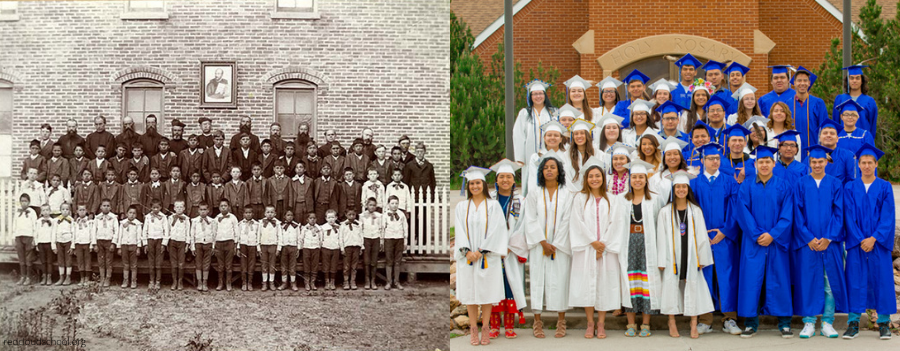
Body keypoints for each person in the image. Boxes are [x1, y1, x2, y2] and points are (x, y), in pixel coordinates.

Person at [735, 146, 794, 338]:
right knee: (752, 281)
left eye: (768, 161)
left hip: (776, 242)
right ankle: (751, 323)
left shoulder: (784, 185)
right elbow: (743, 213)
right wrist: (758, 234)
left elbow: (787, 215)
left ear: (774, 164)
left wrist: (773, 235)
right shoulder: (747, 186)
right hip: (754, 242)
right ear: (755, 164)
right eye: (761, 162)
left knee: (780, 280)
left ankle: (784, 323)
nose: (764, 165)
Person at [792, 145, 847, 339]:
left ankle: (827, 322)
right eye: (813, 162)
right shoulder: (800, 183)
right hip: (808, 243)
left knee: (828, 282)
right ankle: (808, 322)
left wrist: (828, 237)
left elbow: (839, 212)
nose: (817, 164)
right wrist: (808, 238)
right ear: (809, 162)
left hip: (830, 243)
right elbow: (797, 213)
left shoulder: (835, 183)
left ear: (826, 162)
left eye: (820, 161)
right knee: (808, 281)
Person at [842, 144, 895, 340]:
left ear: (875, 164)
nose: (866, 166)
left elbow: (888, 217)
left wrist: (873, 238)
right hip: (857, 244)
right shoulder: (849, 187)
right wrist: (860, 239)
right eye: (863, 162)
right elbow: (848, 215)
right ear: (858, 164)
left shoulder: (885, 186)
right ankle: (853, 322)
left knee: (882, 280)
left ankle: (883, 323)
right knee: (855, 281)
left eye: (869, 163)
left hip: (878, 243)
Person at [690, 144, 742, 335]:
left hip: (724, 239)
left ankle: (730, 318)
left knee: (727, 277)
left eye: (717, 159)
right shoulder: (694, 183)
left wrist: (725, 231)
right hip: (701, 238)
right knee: (704, 277)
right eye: (710, 158)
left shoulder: (730, 182)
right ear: (702, 160)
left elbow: (736, 210)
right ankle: (706, 319)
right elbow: (690, 211)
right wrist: (700, 233)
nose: (714, 161)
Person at [454, 166, 508, 346]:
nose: (474, 186)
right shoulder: (462, 206)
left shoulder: (493, 206)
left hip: (486, 256)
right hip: (468, 258)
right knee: (470, 294)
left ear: (483, 185)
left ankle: (485, 328)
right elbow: (460, 230)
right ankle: (473, 329)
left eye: (478, 183)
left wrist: (481, 250)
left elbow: (497, 230)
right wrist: (467, 251)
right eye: (471, 183)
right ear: (467, 186)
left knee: (486, 293)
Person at [657, 170, 714, 339]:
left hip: (691, 256)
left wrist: (702, 258)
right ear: (673, 190)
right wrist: (661, 260)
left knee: (693, 286)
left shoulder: (695, 211)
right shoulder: (665, 212)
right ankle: (671, 320)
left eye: (684, 187)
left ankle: (693, 323)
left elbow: (702, 236)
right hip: (672, 256)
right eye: (678, 187)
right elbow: (660, 237)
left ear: (688, 189)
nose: (681, 190)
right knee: (670, 286)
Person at [568, 157, 619, 339]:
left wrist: (602, 244)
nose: (594, 179)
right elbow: (577, 222)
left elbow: (615, 223)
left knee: (604, 286)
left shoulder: (612, 199)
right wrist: (593, 242)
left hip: (605, 250)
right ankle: (590, 323)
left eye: (598, 176)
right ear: (586, 179)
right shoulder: (580, 198)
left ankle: (601, 324)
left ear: (603, 178)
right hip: (586, 248)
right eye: (591, 176)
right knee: (587, 286)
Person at [523, 153, 573, 339]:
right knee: (537, 280)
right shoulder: (534, 192)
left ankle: (561, 321)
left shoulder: (567, 193)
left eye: (553, 167)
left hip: (560, 246)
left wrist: (556, 244)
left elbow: (567, 220)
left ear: (559, 171)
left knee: (560, 281)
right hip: (539, 245)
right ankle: (537, 321)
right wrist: (543, 242)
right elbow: (530, 219)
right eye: (546, 167)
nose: (549, 170)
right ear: (541, 171)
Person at [614, 159, 664, 337]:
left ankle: (645, 323)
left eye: (641, 177)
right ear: (630, 179)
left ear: (646, 179)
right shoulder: (621, 199)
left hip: (648, 244)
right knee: (630, 283)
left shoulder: (655, 199)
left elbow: (660, 224)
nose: (637, 180)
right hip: (628, 243)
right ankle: (630, 323)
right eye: (634, 177)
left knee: (646, 283)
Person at [487, 159, 528, 339]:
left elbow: (523, 226)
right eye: (501, 177)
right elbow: (485, 225)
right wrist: (495, 245)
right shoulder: (489, 199)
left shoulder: (521, 201)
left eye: (508, 177)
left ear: (514, 180)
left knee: (511, 286)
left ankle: (510, 326)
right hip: (494, 251)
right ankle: (494, 326)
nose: (505, 180)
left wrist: (511, 246)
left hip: (511, 250)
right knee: (494, 286)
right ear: (496, 180)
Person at [513, 80, 556, 165]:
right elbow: (519, 135)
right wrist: (520, 158)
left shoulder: (553, 112)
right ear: (530, 96)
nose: (538, 96)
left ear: (545, 95)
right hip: (529, 155)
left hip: (550, 153)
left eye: (540, 93)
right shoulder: (524, 113)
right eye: (535, 94)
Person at [790, 67, 827, 159]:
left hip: (813, 151)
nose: (802, 83)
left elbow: (824, 128)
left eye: (805, 80)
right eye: (799, 80)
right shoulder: (787, 104)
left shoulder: (818, 103)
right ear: (794, 83)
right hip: (792, 152)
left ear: (809, 83)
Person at [834, 65, 878, 139]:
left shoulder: (870, 102)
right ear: (848, 80)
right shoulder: (840, 99)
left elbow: (872, 126)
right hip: (843, 142)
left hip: (863, 142)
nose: (854, 81)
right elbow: (835, 123)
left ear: (862, 81)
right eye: (852, 78)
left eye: (857, 78)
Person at [815, 119, 857, 184]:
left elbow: (853, 183)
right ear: (820, 138)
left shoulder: (848, 156)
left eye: (832, 133)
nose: (828, 135)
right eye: (825, 133)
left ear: (837, 139)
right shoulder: (812, 157)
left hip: (840, 193)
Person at [648, 136, 688, 202]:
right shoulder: (656, 179)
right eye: (668, 154)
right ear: (664, 159)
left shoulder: (689, 175)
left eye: (675, 154)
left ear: (680, 157)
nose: (672, 157)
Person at [565, 118, 597, 193]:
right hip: (572, 195)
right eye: (576, 134)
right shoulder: (566, 155)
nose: (579, 136)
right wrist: (578, 195)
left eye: (582, 133)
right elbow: (567, 179)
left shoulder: (598, 153)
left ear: (587, 135)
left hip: (592, 194)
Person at [383, 195, 408, 290]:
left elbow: (405, 228)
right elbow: (383, 228)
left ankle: (396, 282)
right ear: (388, 204)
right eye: (392, 203)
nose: (394, 205)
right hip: (388, 239)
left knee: (397, 261)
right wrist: (382, 240)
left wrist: (405, 241)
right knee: (389, 261)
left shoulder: (401, 215)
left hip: (399, 239)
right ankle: (389, 282)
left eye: (396, 203)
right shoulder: (385, 215)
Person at [143, 199, 169, 290]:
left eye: (157, 207)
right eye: (153, 207)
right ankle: (151, 281)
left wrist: (164, 244)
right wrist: (145, 244)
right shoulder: (148, 217)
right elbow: (145, 230)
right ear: (151, 208)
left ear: (160, 207)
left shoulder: (163, 217)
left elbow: (166, 230)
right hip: (150, 240)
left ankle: (158, 281)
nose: (155, 209)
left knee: (159, 262)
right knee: (151, 261)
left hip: (160, 240)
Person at [213, 199, 239, 291]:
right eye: (221, 206)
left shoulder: (233, 218)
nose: (223, 207)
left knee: (228, 265)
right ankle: (220, 283)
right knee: (220, 265)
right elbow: (214, 232)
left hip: (229, 243)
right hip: (219, 243)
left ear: (229, 207)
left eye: (225, 206)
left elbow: (236, 232)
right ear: (219, 208)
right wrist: (214, 245)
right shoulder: (216, 218)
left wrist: (236, 244)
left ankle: (228, 283)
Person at [13, 193, 38, 285]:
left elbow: (35, 226)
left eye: (26, 201)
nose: (24, 203)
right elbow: (14, 225)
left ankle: (28, 277)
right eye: (22, 201)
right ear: (20, 202)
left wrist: (34, 239)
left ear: (29, 202)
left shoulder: (32, 212)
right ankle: (22, 276)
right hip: (19, 236)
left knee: (28, 258)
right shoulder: (17, 212)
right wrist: (14, 237)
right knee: (21, 258)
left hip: (29, 236)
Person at [116, 205, 143, 289]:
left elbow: (139, 236)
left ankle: (133, 281)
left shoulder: (138, 224)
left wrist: (138, 247)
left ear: (136, 215)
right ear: (127, 213)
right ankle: (125, 280)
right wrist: (119, 247)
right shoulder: (123, 223)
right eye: (130, 213)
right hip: (124, 245)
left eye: (134, 213)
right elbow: (120, 235)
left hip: (133, 245)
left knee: (133, 265)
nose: (132, 215)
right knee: (125, 264)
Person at [191, 203, 215, 291]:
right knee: (198, 263)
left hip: (208, 243)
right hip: (198, 243)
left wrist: (213, 246)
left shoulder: (212, 221)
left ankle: (205, 282)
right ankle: (199, 282)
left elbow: (214, 234)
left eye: (204, 209)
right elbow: (192, 234)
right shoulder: (194, 221)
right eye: (201, 209)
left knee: (206, 264)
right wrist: (192, 247)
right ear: (198, 210)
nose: (203, 211)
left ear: (208, 210)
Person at [94, 199, 119, 287]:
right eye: (104, 205)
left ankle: (108, 278)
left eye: (108, 206)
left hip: (109, 241)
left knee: (109, 260)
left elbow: (116, 231)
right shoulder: (97, 218)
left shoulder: (113, 218)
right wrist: (94, 244)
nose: (106, 207)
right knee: (101, 260)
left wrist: (113, 243)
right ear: (101, 207)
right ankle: (102, 278)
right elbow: (94, 231)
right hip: (99, 241)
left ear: (111, 207)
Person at [257, 205, 281, 291]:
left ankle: (271, 282)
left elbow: (279, 236)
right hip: (263, 246)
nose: (270, 214)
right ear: (264, 213)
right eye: (268, 212)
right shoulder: (261, 222)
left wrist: (279, 248)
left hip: (273, 246)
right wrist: (258, 248)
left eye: (272, 212)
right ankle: (264, 282)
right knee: (264, 265)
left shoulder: (277, 223)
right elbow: (258, 235)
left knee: (272, 265)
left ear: (275, 213)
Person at [360, 198, 383, 290]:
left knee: (374, 260)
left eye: (374, 205)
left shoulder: (379, 216)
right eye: (370, 205)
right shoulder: (362, 216)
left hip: (376, 238)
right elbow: (360, 229)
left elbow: (381, 228)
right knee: (366, 260)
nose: (372, 207)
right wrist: (361, 242)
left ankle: (373, 280)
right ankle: (367, 280)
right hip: (366, 238)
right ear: (366, 205)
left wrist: (381, 240)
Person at [167, 200, 190, 291]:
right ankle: (174, 281)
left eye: (181, 207)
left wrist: (187, 244)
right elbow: (168, 230)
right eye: (177, 207)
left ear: (184, 208)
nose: (179, 209)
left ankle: (180, 281)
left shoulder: (186, 219)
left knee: (181, 262)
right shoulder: (170, 218)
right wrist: (168, 242)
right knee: (173, 262)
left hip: (182, 242)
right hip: (172, 241)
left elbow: (188, 232)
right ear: (174, 208)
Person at [340, 209, 363, 290]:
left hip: (356, 247)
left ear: (355, 214)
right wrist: (342, 248)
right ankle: (346, 281)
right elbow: (341, 237)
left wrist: (361, 247)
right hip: (347, 247)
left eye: (353, 214)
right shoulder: (343, 225)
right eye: (349, 214)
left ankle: (353, 281)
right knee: (346, 266)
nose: (351, 216)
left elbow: (361, 235)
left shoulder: (359, 224)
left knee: (354, 265)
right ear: (346, 215)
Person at [71, 204, 94, 287]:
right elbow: (73, 234)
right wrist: (73, 246)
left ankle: (87, 277)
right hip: (78, 244)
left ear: (86, 211)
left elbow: (92, 233)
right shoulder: (75, 222)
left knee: (87, 260)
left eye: (83, 210)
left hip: (87, 243)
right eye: (80, 210)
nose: (82, 211)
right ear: (77, 211)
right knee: (80, 261)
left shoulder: (90, 222)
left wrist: (92, 244)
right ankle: (82, 277)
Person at [279, 210, 301, 291]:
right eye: (288, 215)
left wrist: (298, 248)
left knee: (292, 266)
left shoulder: (296, 226)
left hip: (293, 247)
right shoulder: (281, 226)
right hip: (284, 248)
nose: (290, 217)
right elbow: (280, 237)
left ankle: (293, 283)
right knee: (284, 266)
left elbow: (299, 238)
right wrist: (280, 248)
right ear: (284, 216)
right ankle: (284, 283)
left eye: (291, 215)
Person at [320, 210, 342, 291]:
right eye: (329, 217)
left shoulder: (338, 227)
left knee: (334, 265)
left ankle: (332, 282)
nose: (331, 219)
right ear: (326, 218)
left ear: (336, 218)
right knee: (326, 265)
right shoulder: (323, 227)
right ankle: (327, 281)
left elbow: (340, 238)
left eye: (333, 217)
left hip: (335, 248)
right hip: (326, 248)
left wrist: (339, 246)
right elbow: (321, 238)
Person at [301, 212, 322, 291]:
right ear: (307, 220)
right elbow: (301, 238)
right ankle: (306, 282)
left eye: (314, 218)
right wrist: (302, 247)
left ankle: (312, 282)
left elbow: (321, 238)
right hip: (306, 248)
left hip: (315, 248)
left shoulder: (319, 228)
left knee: (314, 265)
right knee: (306, 265)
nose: (312, 220)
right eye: (310, 218)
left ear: (316, 219)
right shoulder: (304, 228)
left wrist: (318, 247)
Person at [35, 204, 55, 286]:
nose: (45, 212)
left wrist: (53, 245)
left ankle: (49, 276)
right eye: (43, 210)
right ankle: (44, 276)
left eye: (47, 210)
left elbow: (54, 233)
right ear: (41, 212)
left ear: (50, 211)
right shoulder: (38, 222)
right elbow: (36, 233)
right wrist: (36, 244)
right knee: (43, 261)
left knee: (49, 261)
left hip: (49, 243)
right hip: (41, 243)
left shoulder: (53, 221)